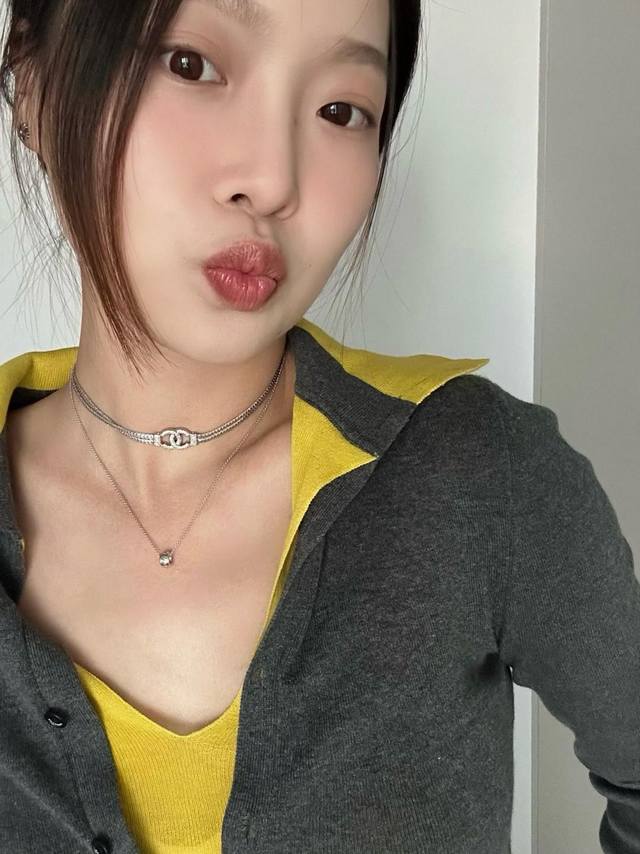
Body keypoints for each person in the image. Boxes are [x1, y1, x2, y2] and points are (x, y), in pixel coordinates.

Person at [0, 2, 638, 853]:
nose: (272, 180)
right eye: (191, 64)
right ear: (34, 85)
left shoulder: (484, 477)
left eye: (342, 109)